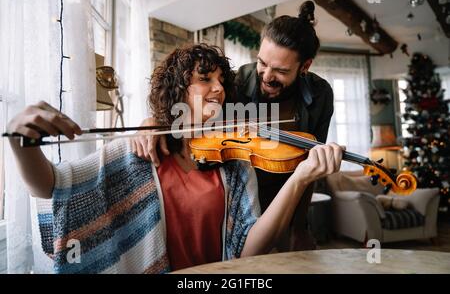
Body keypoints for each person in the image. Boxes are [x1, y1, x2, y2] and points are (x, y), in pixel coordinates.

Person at [6, 44, 343, 274]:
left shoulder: (236, 165)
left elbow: (248, 249)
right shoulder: (141, 149)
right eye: (205, 79)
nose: (219, 90)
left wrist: (299, 178)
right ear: (177, 90)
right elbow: (54, 186)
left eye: (222, 82)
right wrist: (23, 142)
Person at [132, 1, 334, 251]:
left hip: (286, 197)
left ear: (305, 66)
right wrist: (152, 122)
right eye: (262, 63)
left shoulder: (321, 94)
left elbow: (310, 165)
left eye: (280, 70)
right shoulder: (238, 81)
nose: (267, 76)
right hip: (239, 193)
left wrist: (300, 227)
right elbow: (191, 111)